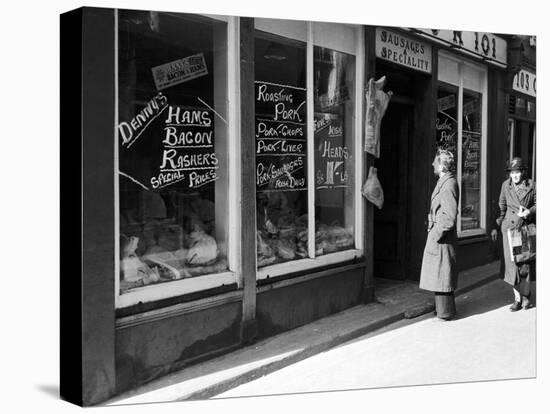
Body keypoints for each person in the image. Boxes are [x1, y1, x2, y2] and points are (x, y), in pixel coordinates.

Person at [419, 149, 460, 320]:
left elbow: (449, 217)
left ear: (442, 165)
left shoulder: (448, 184)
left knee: (443, 274)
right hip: (441, 238)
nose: (432, 165)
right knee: (441, 274)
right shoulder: (444, 182)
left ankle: (445, 312)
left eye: (435, 162)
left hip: (442, 239)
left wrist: (436, 233)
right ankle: (443, 310)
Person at [494, 157, 536, 311]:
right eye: (512, 172)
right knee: (512, 267)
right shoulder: (505, 186)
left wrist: (529, 211)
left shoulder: (532, 185)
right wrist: (498, 224)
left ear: (523, 172)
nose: (515, 175)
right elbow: (502, 207)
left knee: (525, 264)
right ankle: (517, 299)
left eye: (517, 172)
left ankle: (526, 297)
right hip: (510, 230)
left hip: (525, 229)